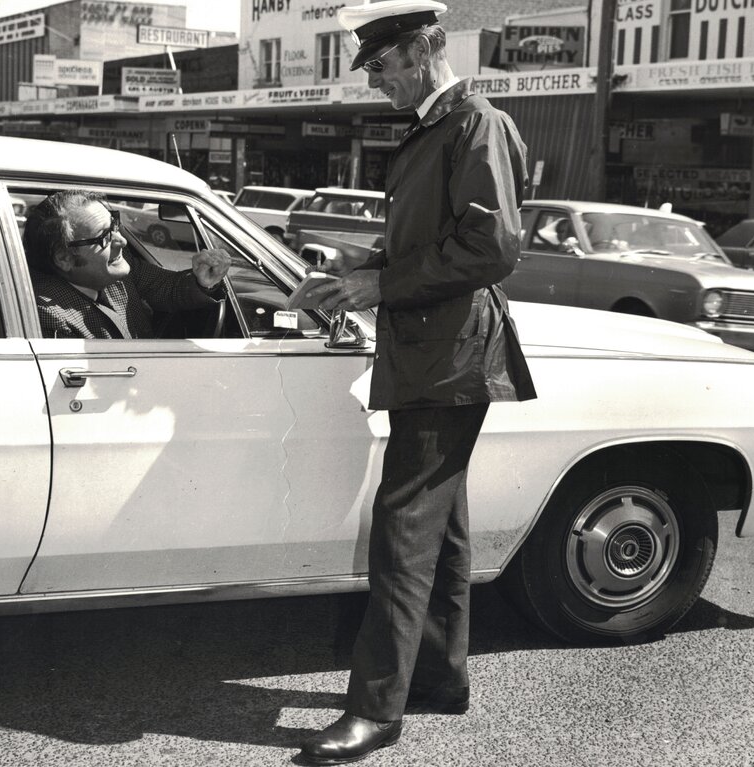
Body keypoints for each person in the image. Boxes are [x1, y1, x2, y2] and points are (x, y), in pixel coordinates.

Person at [300, 2, 536, 763]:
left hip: (448, 357)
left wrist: (380, 286)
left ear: (416, 50)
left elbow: (492, 246)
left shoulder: (476, 124)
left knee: (404, 531)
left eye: (379, 67)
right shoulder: (442, 126)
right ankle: (440, 679)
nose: (375, 83)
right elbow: (425, 238)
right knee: (443, 525)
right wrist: (352, 271)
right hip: (433, 351)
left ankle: (375, 711)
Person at [23, 190, 230, 339]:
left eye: (114, 225)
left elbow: (168, 288)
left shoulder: (116, 270)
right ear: (64, 259)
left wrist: (203, 281)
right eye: (104, 237)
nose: (121, 241)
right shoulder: (48, 314)